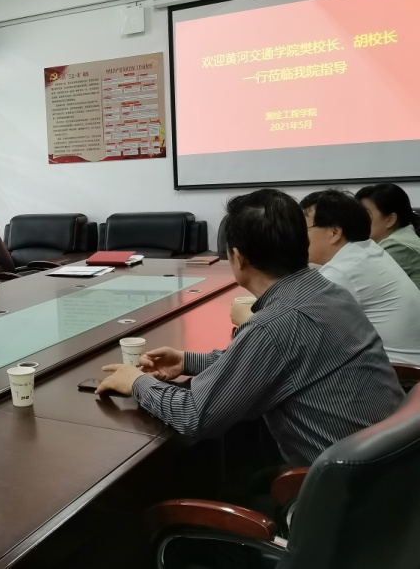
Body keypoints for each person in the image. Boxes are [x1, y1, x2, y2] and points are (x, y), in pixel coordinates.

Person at [96, 189, 403, 468]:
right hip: (392, 474)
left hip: (342, 495)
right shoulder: (329, 293)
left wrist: (137, 381)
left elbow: (194, 416)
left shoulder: (274, 325)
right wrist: (187, 361)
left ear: (237, 258)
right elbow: (271, 361)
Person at [298, 189, 420, 363]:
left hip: (398, 371)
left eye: (304, 228)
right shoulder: (366, 251)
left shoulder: (344, 270)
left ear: (334, 232)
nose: (299, 237)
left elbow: (297, 326)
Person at [355, 183, 420, 290]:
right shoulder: (403, 237)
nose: (358, 221)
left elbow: (357, 284)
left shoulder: (399, 247)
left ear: (390, 220)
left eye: (365, 215)